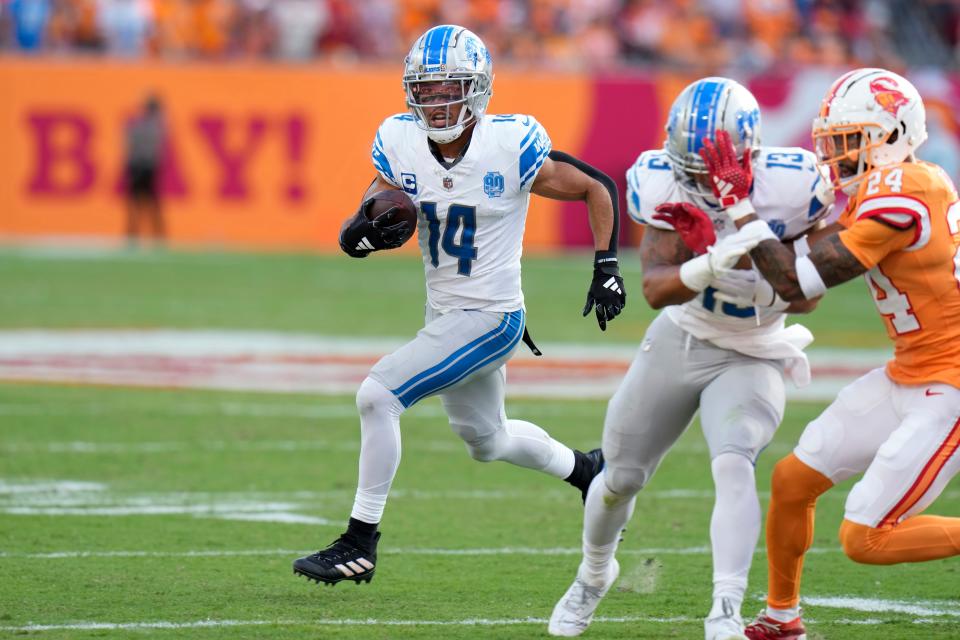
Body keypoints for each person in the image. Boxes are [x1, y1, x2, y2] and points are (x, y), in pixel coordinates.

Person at [293, 24, 626, 587]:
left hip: (492, 317)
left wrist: (607, 268)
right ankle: (587, 470)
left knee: (378, 397)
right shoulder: (400, 141)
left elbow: (595, 185)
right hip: (446, 314)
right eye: (426, 89)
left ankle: (359, 542)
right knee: (487, 441)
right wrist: (361, 232)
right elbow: (375, 205)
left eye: (450, 88)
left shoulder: (509, 143)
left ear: (477, 90)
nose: (437, 100)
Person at [548, 77, 834, 640]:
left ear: (748, 151)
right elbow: (654, 288)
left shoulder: (793, 183)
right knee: (618, 478)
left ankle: (724, 609)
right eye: (690, 165)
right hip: (683, 335)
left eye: (712, 167)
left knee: (734, 463)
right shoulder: (660, 178)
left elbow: (807, 296)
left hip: (753, 347)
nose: (699, 178)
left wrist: (744, 219)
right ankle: (594, 573)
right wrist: (705, 264)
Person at [683, 69, 960, 640]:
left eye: (851, 138)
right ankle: (782, 617)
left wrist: (739, 206)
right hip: (911, 371)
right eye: (834, 140)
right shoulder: (889, 189)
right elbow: (788, 252)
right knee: (792, 480)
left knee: (866, 538)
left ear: (896, 132)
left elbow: (796, 283)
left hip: (951, 385)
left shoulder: (902, 192)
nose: (837, 154)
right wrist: (716, 235)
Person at [124, 94, 166, 244]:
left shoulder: (140, 125)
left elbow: (130, 141)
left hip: (140, 166)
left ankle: (135, 234)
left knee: (140, 203)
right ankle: (152, 235)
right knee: (146, 203)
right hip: (146, 166)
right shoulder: (155, 125)